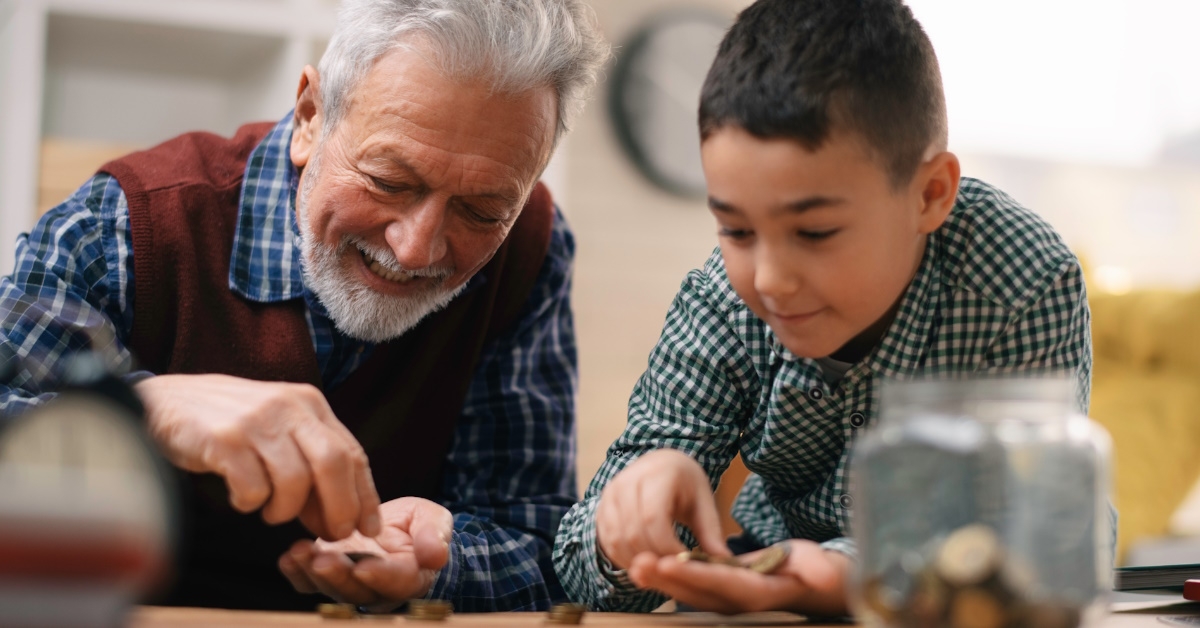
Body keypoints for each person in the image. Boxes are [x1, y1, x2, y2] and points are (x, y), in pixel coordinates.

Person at [0, 0, 607, 613]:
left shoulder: (530, 250)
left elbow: (541, 544)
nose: (416, 246)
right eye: (390, 182)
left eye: (480, 211)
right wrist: (142, 408)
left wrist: (439, 565)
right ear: (310, 117)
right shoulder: (130, 224)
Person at [553, 0, 1093, 616]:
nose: (771, 280)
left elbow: (1036, 535)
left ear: (930, 194)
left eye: (814, 233)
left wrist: (849, 573)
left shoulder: (1021, 278)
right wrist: (630, 519)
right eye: (735, 231)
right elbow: (577, 568)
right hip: (776, 564)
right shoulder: (720, 301)